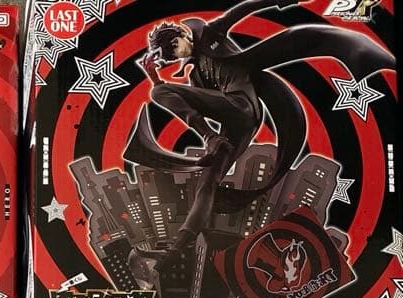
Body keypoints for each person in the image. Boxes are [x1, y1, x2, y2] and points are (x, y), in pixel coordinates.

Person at [126, 0, 393, 273]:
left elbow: (243, 8)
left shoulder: (210, 33)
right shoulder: (197, 76)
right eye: (172, 56)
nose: (177, 55)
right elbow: (191, 104)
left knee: (160, 92)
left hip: (242, 107)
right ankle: (174, 251)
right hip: (235, 128)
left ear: (183, 35)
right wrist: (154, 76)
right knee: (206, 184)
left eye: (175, 47)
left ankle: (210, 139)